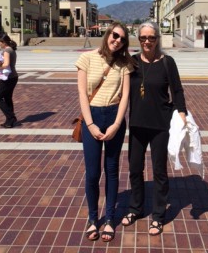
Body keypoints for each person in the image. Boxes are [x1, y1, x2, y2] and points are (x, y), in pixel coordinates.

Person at [121, 21, 187, 236]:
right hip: (137, 124)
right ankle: (136, 208)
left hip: (160, 124)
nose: (147, 42)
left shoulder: (168, 62)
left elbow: (177, 91)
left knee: (159, 171)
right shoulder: (131, 62)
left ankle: (158, 215)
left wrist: (182, 114)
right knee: (134, 169)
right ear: (138, 40)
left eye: (151, 38)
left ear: (158, 38)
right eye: (143, 38)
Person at [75, 22, 133, 242]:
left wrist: (117, 124)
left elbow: (125, 96)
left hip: (114, 117)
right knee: (92, 173)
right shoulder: (87, 58)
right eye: (115, 35)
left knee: (111, 170)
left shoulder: (125, 63)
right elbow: (82, 94)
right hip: (92, 117)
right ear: (107, 34)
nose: (117, 40)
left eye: (122, 39)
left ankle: (109, 218)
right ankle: (92, 218)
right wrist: (90, 125)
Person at [0, 34, 19, 128]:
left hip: (8, 78)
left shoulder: (7, 50)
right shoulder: (12, 50)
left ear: (4, 42)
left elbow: (6, 64)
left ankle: (11, 117)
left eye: (0, 42)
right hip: (13, 77)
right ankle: (9, 121)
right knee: (7, 98)